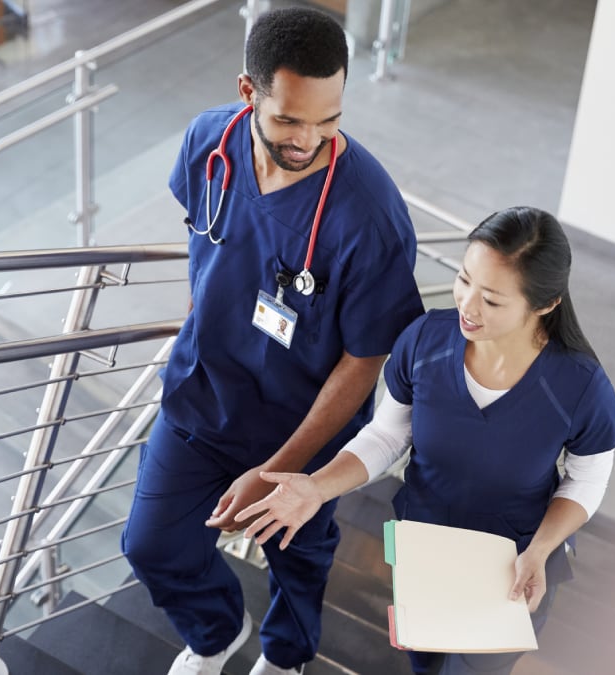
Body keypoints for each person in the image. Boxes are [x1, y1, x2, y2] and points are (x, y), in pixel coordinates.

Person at [121, 7, 424, 675]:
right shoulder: (210, 143)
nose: (308, 138)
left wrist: (280, 468)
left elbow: (366, 357)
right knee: (151, 546)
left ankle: (285, 657)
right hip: (201, 400)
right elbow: (205, 241)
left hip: (305, 434)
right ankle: (218, 631)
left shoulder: (367, 215)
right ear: (247, 91)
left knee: (300, 558)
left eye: (329, 118)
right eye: (289, 119)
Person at [235, 207, 615, 675]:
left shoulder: (580, 388)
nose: (468, 306)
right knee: (424, 661)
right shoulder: (425, 340)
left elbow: (586, 478)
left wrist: (540, 549)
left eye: (494, 301)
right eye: (464, 280)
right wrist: (318, 487)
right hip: (426, 544)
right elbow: (387, 433)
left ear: (545, 304)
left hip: (514, 563)